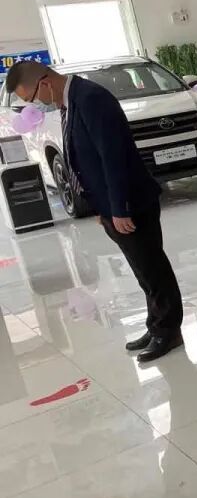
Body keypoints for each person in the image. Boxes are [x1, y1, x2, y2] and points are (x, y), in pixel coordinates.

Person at [6, 61, 184, 362]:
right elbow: (84, 159)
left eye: (32, 97)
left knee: (153, 270)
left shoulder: (91, 99)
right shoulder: (72, 102)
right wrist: (101, 208)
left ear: (45, 82)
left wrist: (120, 207)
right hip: (111, 205)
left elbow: (113, 157)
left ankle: (169, 331)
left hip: (131, 203)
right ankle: (156, 324)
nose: (36, 105)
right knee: (142, 271)